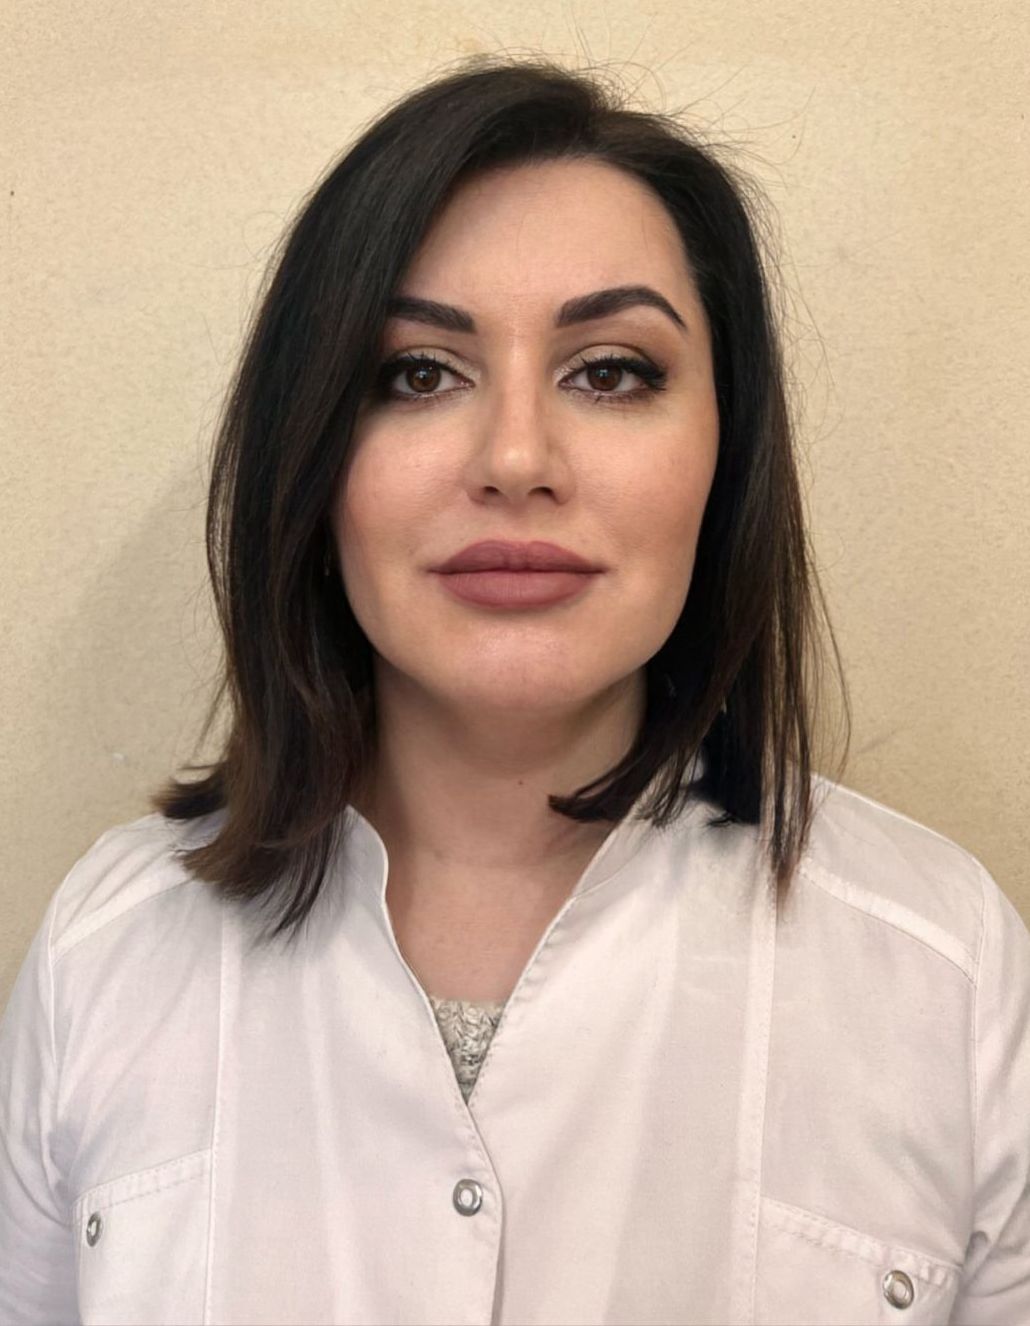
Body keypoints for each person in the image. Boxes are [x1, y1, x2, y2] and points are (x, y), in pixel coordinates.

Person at [1, 54, 1027, 1326]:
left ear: (726, 453)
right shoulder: (107, 954)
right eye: (417, 373)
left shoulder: (943, 973)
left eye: (611, 371)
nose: (516, 457)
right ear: (310, 458)